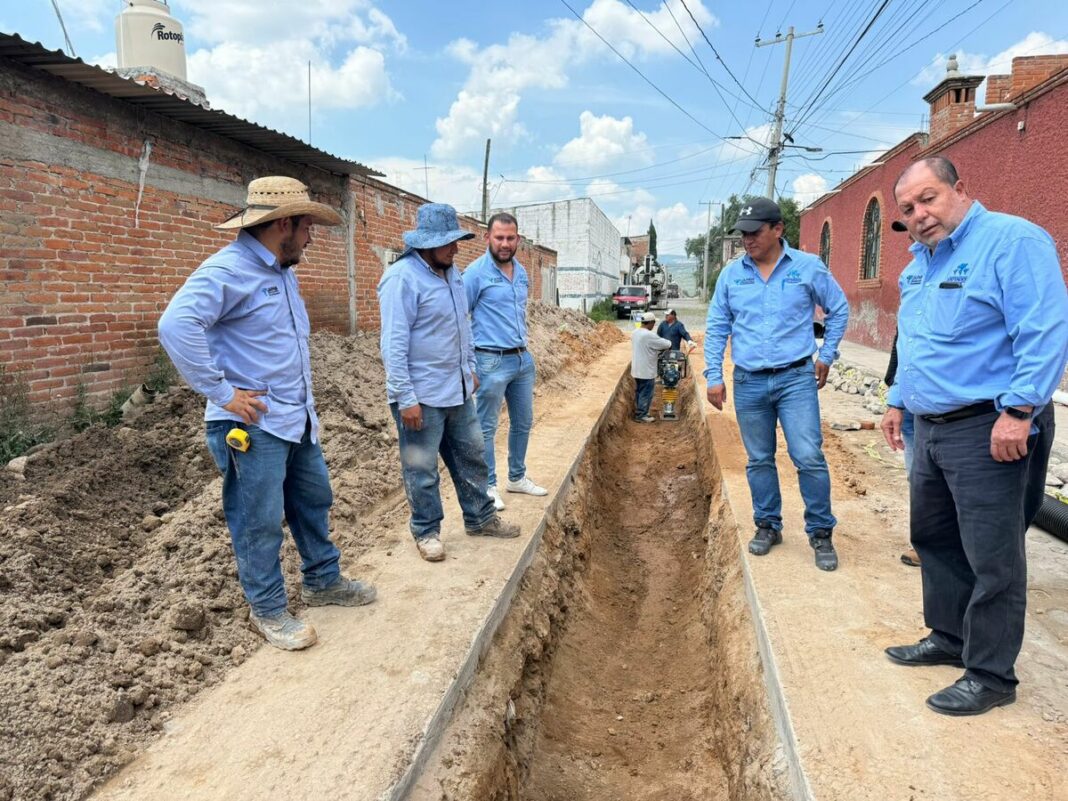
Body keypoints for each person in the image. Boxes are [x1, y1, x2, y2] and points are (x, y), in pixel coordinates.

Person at [881, 156, 1066, 716]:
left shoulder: (1011, 242)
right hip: (929, 427)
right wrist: (896, 401)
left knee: (993, 555)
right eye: (908, 208)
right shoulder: (921, 262)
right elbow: (913, 340)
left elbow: (1043, 329)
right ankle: (949, 637)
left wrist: (1020, 410)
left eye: (929, 199)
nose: (919, 215)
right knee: (935, 538)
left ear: (961, 189)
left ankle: (989, 673)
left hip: (991, 426)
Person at [158, 176, 377, 651]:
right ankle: (269, 609)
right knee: (258, 518)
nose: (311, 237)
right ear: (283, 224)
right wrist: (222, 392)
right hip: (251, 424)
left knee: (313, 499)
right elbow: (176, 324)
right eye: (306, 227)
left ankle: (323, 580)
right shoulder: (229, 270)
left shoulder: (281, 270)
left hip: (294, 418)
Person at [704, 197, 849, 571]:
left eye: (755, 233)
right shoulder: (732, 275)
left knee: (808, 456)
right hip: (749, 382)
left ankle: (820, 533)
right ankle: (768, 524)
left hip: (795, 378)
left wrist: (827, 355)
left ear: (778, 230)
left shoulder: (807, 268)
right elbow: (718, 325)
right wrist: (714, 376)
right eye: (743, 234)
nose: (747, 240)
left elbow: (839, 308)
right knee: (759, 459)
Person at [378, 203, 520, 563]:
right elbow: (393, 344)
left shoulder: (452, 274)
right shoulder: (402, 279)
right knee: (422, 468)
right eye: (448, 244)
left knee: (471, 456)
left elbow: (463, 325)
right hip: (421, 397)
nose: (455, 249)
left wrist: (470, 368)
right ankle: (426, 532)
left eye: (456, 242)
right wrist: (404, 397)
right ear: (425, 244)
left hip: (457, 390)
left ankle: (481, 517)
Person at [463, 213, 548, 512]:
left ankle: (517, 477)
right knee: (485, 428)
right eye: (499, 237)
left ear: (518, 240)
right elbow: (461, 319)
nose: (504, 243)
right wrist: (468, 365)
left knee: (523, 422)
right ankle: (488, 486)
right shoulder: (474, 274)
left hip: (521, 359)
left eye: (510, 238)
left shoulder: (522, 272)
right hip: (490, 361)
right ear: (487, 238)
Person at [883, 327, 918, 567]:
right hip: (913, 397)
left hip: (965, 405)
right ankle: (926, 543)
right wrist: (896, 402)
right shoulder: (914, 290)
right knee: (919, 477)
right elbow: (905, 338)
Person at [631, 311, 671, 422]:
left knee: (639, 391)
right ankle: (642, 416)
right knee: (646, 393)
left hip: (636, 369)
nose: (654, 326)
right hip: (646, 370)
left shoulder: (635, 332)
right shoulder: (648, 335)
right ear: (650, 323)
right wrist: (669, 344)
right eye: (653, 323)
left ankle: (640, 411)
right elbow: (666, 344)